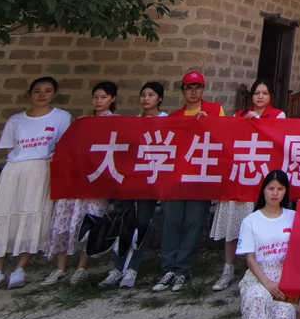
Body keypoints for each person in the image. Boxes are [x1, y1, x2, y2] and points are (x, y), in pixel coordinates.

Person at [0, 77, 72, 294]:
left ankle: (20, 268)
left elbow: (63, 147)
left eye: (48, 90)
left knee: (32, 216)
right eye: (37, 91)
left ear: (55, 94)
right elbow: (8, 150)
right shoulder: (15, 120)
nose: (42, 95)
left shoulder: (61, 117)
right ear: (29, 94)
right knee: (1, 214)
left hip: (41, 170)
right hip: (14, 171)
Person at [212, 79, 285, 293]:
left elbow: (279, 138)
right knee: (232, 225)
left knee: (260, 227)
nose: (260, 97)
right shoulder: (239, 116)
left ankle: (256, 270)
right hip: (239, 177)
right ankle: (228, 268)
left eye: (264, 93)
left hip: (262, 177)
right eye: (256, 93)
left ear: (271, 96)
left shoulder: (278, 115)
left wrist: (259, 123)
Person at [43, 81, 117, 287]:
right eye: (95, 97)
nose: (98, 101)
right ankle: (61, 268)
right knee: (64, 220)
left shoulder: (116, 122)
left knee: (88, 221)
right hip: (75, 179)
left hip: (97, 180)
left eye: (103, 97)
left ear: (112, 99)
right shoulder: (82, 122)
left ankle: (82, 268)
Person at [155, 71, 222, 293]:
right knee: (171, 222)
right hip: (176, 179)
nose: (194, 92)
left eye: (198, 87)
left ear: (203, 89)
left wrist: (208, 124)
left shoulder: (215, 110)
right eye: (189, 88)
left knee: (194, 223)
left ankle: (183, 269)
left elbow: (224, 138)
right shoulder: (174, 118)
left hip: (201, 178)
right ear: (182, 91)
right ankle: (168, 268)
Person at [99, 81, 168, 290]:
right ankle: (117, 266)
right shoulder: (132, 122)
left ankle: (133, 267)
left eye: (151, 95)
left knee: (143, 221)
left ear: (160, 98)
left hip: (151, 179)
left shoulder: (168, 121)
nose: (146, 99)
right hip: (130, 178)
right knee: (122, 219)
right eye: (143, 94)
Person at [237, 170, 297, 319]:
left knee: (283, 317)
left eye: (280, 189)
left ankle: (271, 317)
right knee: (259, 297)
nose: (275, 193)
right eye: (271, 188)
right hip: (260, 274)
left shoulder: (293, 216)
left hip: (284, 275)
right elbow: (250, 259)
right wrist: (267, 283)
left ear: (286, 192)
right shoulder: (250, 221)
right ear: (263, 190)